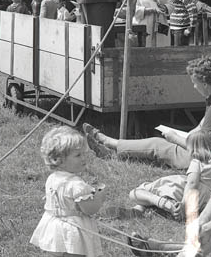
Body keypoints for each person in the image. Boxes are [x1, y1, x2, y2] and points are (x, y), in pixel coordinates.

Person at [84, 55, 211, 169]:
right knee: (160, 143)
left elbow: (203, 148)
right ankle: (112, 150)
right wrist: (188, 135)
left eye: (195, 83)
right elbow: (202, 125)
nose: (194, 87)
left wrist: (176, 138)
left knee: (157, 144)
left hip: (202, 159)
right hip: (199, 149)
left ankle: (109, 145)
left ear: (205, 84)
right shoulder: (209, 99)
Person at [30, 125, 105, 256]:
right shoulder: (76, 185)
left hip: (53, 230)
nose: (83, 158)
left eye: (83, 154)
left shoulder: (52, 179)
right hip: (72, 232)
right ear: (59, 160)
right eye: (78, 155)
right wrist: (99, 197)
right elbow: (89, 209)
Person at [125, 129, 211, 222]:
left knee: (135, 192)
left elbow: (192, 183)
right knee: (147, 200)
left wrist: (183, 204)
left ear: (192, 149)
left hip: (184, 193)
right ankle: (140, 209)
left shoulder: (197, 162)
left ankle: (164, 203)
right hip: (203, 202)